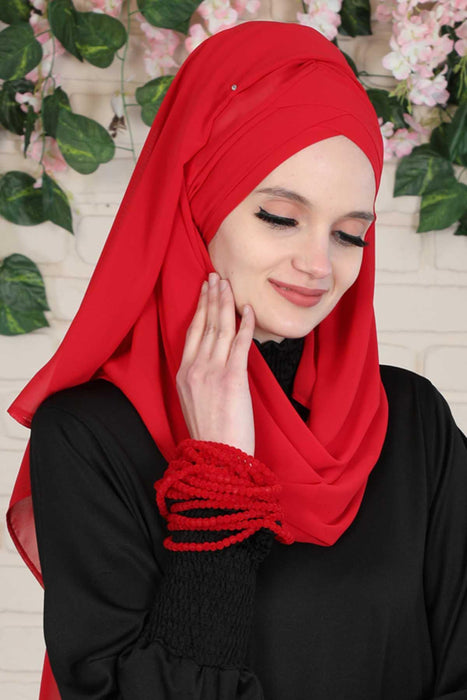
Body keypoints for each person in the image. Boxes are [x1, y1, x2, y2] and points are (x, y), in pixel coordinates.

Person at [6, 20, 467, 700]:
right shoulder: (89, 437)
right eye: (279, 217)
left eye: (349, 235)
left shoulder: (412, 425)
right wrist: (219, 479)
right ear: (199, 203)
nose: (318, 265)